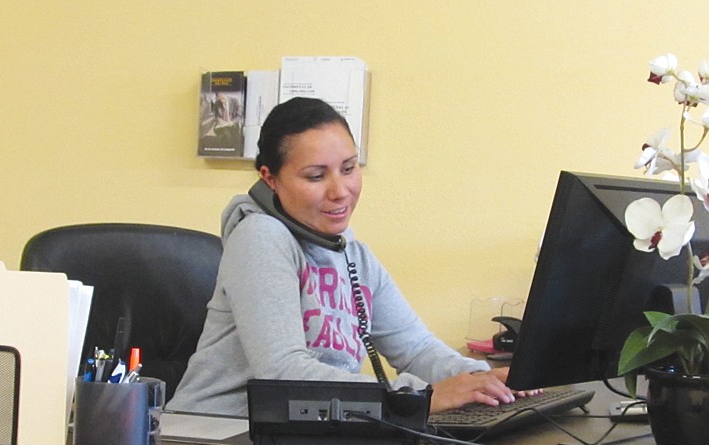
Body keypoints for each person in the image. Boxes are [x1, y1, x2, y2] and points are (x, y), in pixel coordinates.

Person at [168, 97, 533, 416]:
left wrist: (483, 379)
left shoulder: (350, 251)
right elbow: (282, 372)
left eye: (348, 168)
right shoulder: (259, 237)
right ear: (270, 179)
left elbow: (417, 349)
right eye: (315, 176)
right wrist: (417, 396)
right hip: (215, 443)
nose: (340, 191)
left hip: (297, 435)